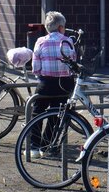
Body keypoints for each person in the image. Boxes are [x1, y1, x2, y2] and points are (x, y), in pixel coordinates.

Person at [29, 11, 77, 147]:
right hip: (64, 85)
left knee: (37, 112)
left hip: (46, 83)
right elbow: (73, 62)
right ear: (61, 27)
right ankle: (47, 143)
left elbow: (35, 68)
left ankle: (34, 145)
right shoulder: (68, 41)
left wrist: (42, 75)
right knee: (56, 115)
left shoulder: (41, 41)